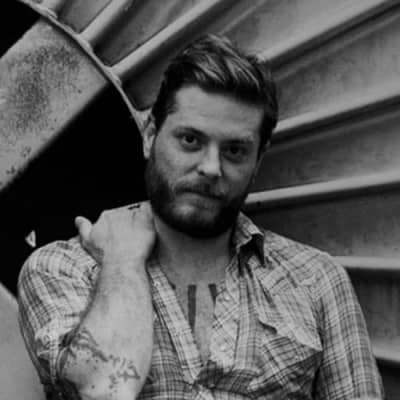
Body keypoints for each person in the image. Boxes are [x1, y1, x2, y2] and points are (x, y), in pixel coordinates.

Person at [18, 35, 383, 400]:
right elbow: (101, 391)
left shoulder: (316, 281)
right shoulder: (64, 269)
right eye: (190, 140)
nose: (211, 167)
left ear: (258, 160)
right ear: (150, 136)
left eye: (234, 150)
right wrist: (123, 262)